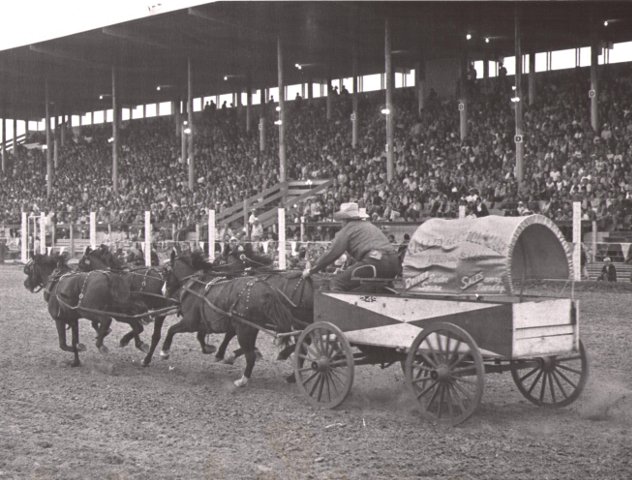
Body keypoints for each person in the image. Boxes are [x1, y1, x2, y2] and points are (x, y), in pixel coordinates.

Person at [301, 202, 401, 291]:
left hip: (375, 263)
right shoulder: (369, 225)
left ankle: (340, 311)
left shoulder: (346, 230)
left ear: (344, 219)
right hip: (394, 262)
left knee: (336, 282)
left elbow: (331, 254)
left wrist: (312, 270)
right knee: (365, 286)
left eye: (341, 220)